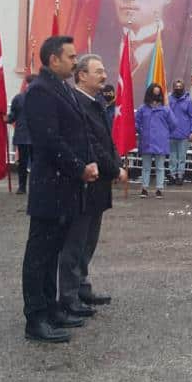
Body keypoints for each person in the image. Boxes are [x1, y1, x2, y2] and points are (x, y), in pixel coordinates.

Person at [22, 35, 100, 343]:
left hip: (64, 186)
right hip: (49, 187)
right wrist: (79, 167)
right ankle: (35, 317)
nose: (74, 61)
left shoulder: (61, 87)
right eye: (70, 56)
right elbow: (50, 140)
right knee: (39, 254)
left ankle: (51, 308)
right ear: (54, 59)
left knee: (53, 252)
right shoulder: (40, 91)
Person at [58, 53, 125, 317]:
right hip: (85, 183)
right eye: (98, 71)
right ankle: (68, 295)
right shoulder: (77, 103)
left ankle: (82, 286)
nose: (104, 75)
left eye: (104, 70)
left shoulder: (96, 102)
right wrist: (113, 168)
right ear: (81, 75)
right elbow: (91, 145)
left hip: (99, 184)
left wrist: (117, 162)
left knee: (89, 241)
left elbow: (106, 140)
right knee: (75, 242)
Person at [135, 83, 176, 199]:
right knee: (146, 166)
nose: (155, 98)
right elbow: (136, 122)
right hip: (147, 140)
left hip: (160, 142)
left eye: (158, 95)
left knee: (160, 166)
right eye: (154, 94)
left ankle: (159, 189)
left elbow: (174, 124)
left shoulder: (165, 110)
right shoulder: (143, 108)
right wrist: (141, 130)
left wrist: (165, 133)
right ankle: (144, 188)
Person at [8, 76, 36, 195]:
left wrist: (8, 119)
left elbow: (13, 116)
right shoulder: (20, 98)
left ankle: (25, 187)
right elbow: (13, 115)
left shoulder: (19, 98)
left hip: (30, 136)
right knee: (29, 163)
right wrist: (6, 119)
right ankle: (26, 186)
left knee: (27, 163)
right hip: (29, 135)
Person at [167, 79, 192, 185]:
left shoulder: (188, 100)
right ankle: (172, 175)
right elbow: (165, 115)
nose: (178, 89)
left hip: (184, 134)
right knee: (172, 157)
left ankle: (180, 176)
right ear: (173, 88)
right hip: (171, 133)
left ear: (183, 88)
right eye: (176, 87)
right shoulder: (169, 99)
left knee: (181, 157)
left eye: (180, 87)